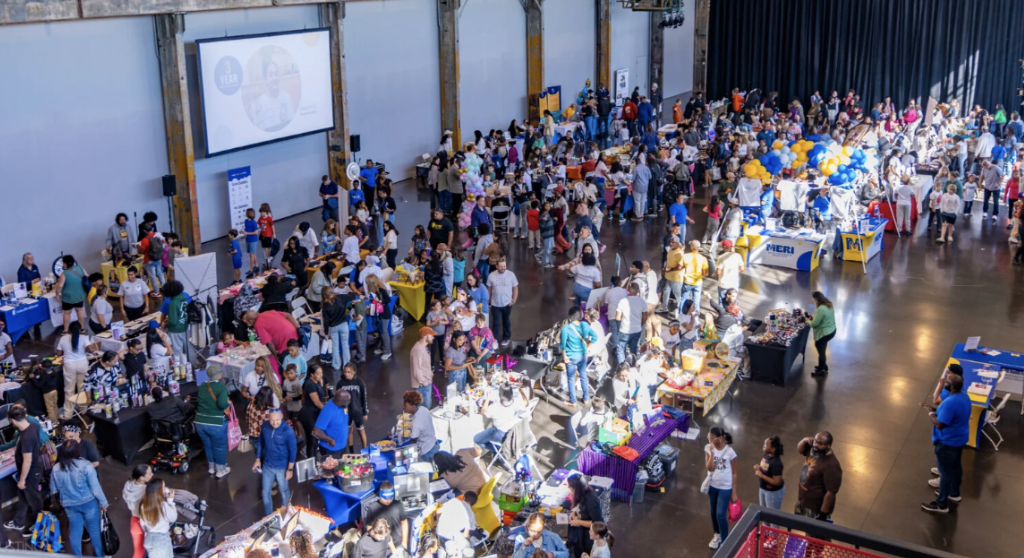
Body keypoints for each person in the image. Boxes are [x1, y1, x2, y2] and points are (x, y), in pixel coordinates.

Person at [921, 374, 971, 513]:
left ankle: (941, 504)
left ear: (953, 386)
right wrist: (937, 410)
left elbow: (940, 424)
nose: (944, 384)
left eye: (947, 382)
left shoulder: (950, 402)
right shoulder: (964, 396)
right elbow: (953, 415)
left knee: (945, 472)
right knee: (956, 467)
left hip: (947, 442)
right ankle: (954, 494)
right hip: (959, 439)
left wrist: (931, 414)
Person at [51, 440, 108, 557]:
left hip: (69, 505)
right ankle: (100, 555)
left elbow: (54, 489)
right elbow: (95, 488)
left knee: (75, 533)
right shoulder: (86, 465)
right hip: (89, 502)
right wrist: (104, 502)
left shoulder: (56, 468)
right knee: (94, 531)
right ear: (78, 451)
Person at [3, 407, 44, 537]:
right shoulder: (32, 425)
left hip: (30, 473)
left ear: (13, 420)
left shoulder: (26, 437)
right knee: (23, 496)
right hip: (32, 470)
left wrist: (22, 480)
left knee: (34, 500)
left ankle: (40, 527)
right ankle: (18, 521)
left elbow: (27, 461)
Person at [254, 408, 297, 515]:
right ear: (268, 418)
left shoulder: (288, 431)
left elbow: (293, 450)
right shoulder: (265, 426)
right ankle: (269, 516)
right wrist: (257, 459)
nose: (275, 422)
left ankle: (284, 513)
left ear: (282, 417)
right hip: (267, 466)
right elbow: (260, 443)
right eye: (272, 420)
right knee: (265, 492)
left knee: (283, 490)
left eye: (277, 419)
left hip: (282, 467)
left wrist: (290, 469)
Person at [795, 432, 842, 522]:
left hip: (815, 509)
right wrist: (804, 440)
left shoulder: (832, 465)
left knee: (813, 535)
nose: (816, 445)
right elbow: (800, 450)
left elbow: (831, 493)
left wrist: (822, 514)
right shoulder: (813, 451)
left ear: (829, 445)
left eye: (820, 443)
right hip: (802, 500)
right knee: (797, 524)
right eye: (815, 441)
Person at [56, 322, 99, 418]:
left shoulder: (63, 338)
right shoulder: (83, 338)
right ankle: (83, 410)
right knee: (83, 388)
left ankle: (68, 414)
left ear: (69, 329)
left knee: (69, 390)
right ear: (80, 329)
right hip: (82, 364)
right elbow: (91, 350)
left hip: (69, 365)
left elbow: (58, 353)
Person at [704, 426, 737, 550]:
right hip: (713, 486)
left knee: (720, 514)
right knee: (713, 512)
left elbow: (734, 473)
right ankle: (716, 535)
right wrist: (712, 453)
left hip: (725, 487)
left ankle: (725, 539)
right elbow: (709, 468)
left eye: (711, 439)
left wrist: (734, 492)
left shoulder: (730, 452)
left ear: (720, 438)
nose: (709, 441)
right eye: (708, 438)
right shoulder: (708, 448)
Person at [196, 368, 231, 478]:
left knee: (208, 445)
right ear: (218, 375)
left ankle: (212, 467)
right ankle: (220, 470)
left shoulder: (202, 385)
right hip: (216, 422)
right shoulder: (221, 387)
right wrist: (227, 403)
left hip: (200, 422)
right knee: (219, 446)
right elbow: (221, 405)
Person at [560, 307, 597, 407]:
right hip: (583, 355)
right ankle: (586, 399)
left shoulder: (566, 328)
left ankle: (573, 401)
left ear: (570, 316)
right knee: (583, 376)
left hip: (571, 357)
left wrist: (565, 357)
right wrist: (589, 347)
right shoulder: (585, 325)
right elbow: (595, 337)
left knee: (571, 379)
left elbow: (563, 345)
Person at [474, 384, 528, 451]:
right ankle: (500, 450)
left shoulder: (496, 406)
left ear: (499, 394)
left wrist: (488, 398)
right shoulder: (516, 402)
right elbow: (526, 403)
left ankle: (499, 451)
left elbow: (482, 411)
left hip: (499, 433)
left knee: (476, 439)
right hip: (513, 431)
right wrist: (522, 392)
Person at [363, 483, 409, 550]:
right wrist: (374, 535)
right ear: (380, 496)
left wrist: (404, 543)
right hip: (380, 545)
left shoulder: (398, 505)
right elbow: (369, 526)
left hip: (397, 543)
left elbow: (404, 523)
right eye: (385, 499)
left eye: (390, 498)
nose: (388, 501)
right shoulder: (372, 507)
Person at [138, 478, 177, 558]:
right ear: (159, 491)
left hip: (149, 538)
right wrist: (170, 501)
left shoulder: (143, 504)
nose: (165, 489)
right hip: (161, 540)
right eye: (164, 487)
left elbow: (142, 523)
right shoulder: (163, 505)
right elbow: (173, 517)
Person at [566, 475, 604, 558]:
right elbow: (581, 507)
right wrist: (575, 512)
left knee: (586, 551)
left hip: (589, 535)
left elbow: (597, 523)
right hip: (581, 532)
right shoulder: (581, 494)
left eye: (571, 488)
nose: (570, 490)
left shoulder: (591, 501)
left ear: (577, 489)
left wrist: (578, 522)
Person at [336, 363, 369, 453]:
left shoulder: (359, 382)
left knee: (361, 431)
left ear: (354, 372)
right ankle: (351, 452)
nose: (346, 374)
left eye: (348, 372)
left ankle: (365, 452)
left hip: (357, 411)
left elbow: (364, 397)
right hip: (346, 412)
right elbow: (337, 399)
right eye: (345, 372)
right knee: (349, 431)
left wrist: (365, 412)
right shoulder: (340, 383)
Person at [487, 258, 519, 347]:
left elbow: (515, 288)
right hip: (495, 304)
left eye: (504, 266)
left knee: (506, 321)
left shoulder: (511, 275)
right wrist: (488, 302)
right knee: (496, 323)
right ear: (496, 266)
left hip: (507, 304)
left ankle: (506, 338)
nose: (503, 268)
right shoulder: (491, 276)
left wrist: (513, 300)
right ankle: (495, 340)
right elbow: (489, 289)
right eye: (501, 267)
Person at [123, 465, 154, 558]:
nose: (152, 474)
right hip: (144, 523)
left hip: (134, 522)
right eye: (149, 474)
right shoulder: (145, 490)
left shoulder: (128, 484)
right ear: (141, 477)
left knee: (138, 552)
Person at [159, 280, 192, 361]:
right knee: (188, 348)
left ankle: (180, 369)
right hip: (185, 326)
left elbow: (173, 322)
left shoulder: (172, 303)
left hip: (176, 331)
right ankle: (192, 364)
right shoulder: (184, 297)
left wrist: (165, 324)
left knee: (177, 352)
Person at [298, 365, 327, 458]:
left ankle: (313, 459)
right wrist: (327, 411)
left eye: (321, 373)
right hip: (308, 414)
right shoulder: (310, 384)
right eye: (318, 374)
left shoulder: (317, 382)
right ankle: (311, 461)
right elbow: (317, 403)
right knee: (312, 439)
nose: (321, 375)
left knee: (315, 439)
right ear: (311, 374)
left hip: (314, 413)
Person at [56, 255, 89, 335]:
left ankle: (66, 330)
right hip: (79, 295)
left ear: (64, 263)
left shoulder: (64, 274)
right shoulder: (80, 268)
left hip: (68, 297)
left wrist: (57, 294)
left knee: (67, 313)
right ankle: (81, 328)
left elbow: (60, 286)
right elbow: (87, 277)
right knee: (80, 311)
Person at [313, 390, 351, 458]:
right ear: (339, 400)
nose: (348, 402)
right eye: (346, 401)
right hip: (331, 450)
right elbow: (316, 431)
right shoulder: (328, 411)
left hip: (342, 446)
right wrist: (329, 439)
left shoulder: (342, 405)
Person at [615, 282, 646, 364]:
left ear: (628, 290)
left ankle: (622, 368)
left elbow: (617, 318)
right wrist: (639, 324)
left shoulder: (622, 301)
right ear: (638, 291)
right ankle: (632, 368)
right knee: (633, 350)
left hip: (624, 330)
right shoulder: (642, 301)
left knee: (621, 349)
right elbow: (645, 317)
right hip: (637, 330)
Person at [806, 291, 837, 376]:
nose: (813, 301)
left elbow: (814, 324)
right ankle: (823, 366)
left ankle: (821, 370)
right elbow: (823, 319)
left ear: (816, 299)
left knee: (821, 351)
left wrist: (807, 321)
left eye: (813, 299)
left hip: (825, 333)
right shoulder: (829, 304)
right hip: (832, 330)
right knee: (819, 347)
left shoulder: (820, 309)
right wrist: (813, 318)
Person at [403, 390, 439, 461]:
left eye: (405, 405)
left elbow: (413, 443)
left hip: (427, 452)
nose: (403, 407)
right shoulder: (424, 409)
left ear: (413, 407)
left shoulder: (416, 424)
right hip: (433, 444)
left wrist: (408, 457)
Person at [755, 436, 785, 517]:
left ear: (773, 448)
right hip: (763, 489)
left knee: (772, 517)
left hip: (772, 493)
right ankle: (766, 530)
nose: (763, 446)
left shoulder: (776, 463)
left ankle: (773, 530)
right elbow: (766, 468)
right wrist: (760, 468)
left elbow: (777, 482)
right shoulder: (767, 456)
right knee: (764, 515)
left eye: (766, 445)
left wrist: (761, 475)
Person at [411, 327, 436, 407]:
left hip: (425, 384)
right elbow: (416, 370)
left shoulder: (423, 347)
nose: (433, 337)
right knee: (424, 409)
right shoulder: (418, 350)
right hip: (422, 386)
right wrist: (425, 382)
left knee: (427, 407)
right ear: (425, 336)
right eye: (431, 335)